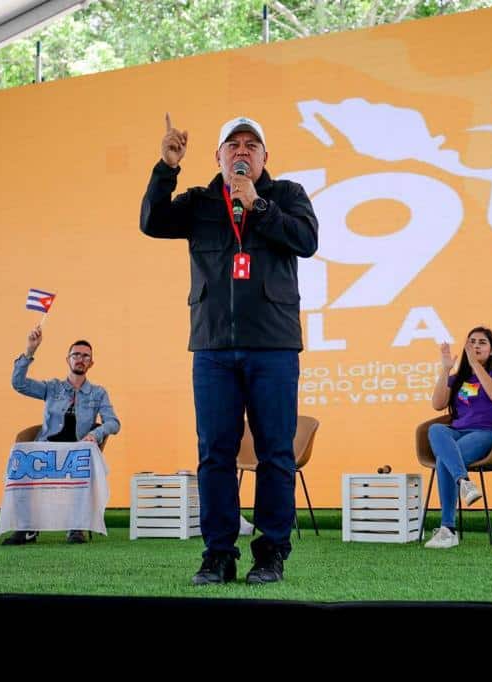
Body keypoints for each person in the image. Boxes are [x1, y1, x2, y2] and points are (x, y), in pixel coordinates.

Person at [140, 114, 318, 584]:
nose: (241, 152)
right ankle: (218, 553)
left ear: (265, 157)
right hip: (213, 346)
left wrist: (258, 205)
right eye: (232, 146)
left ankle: (271, 552)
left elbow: (307, 241)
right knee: (215, 453)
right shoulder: (199, 202)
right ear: (218, 157)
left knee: (275, 453)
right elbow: (152, 222)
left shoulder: (288, 196)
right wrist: (166, 168)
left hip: (273, 345)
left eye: (251, 145)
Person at [2, 326, 121, 545]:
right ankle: (26, 528)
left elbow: (114, 422)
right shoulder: (52, 387)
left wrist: (96, 434)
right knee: (19, 465)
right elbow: (18, 384)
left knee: (85, 465)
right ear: (68, 359)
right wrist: (29, 351)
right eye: (76, 355)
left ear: (91, 363)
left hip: (76, 452)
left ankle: (76, 527)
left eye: (86, 356)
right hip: (46, 450)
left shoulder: (98, 393)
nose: (80, 359)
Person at [424, 327, 492, 549]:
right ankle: (464, 482)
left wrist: (475, 365)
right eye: (472, 342)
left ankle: (448, 529)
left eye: (482, 342)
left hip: (486, 433)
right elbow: (437, 404)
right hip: (457, 431)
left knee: (444, 460)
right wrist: (445, 370)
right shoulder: (458, 379)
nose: (476, 346)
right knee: (436, 430)